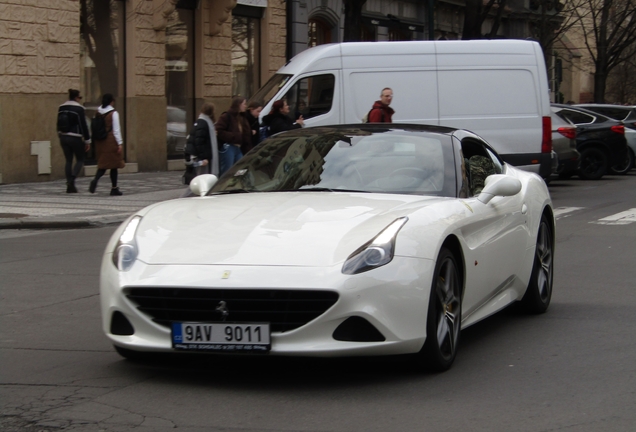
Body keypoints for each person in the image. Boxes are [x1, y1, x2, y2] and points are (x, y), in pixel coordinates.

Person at [89, 93, 125, 196]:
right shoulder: (113, 113)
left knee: (103, 163)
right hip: (110, 140)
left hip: (100, 141)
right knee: (114, 165)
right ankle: (114, 188)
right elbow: (116, 130)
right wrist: (120, 143)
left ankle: (96, 179)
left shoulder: (98, 111)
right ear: (111, 101)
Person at [57, 89, 91, 193]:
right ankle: (72, 179)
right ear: (76, 98)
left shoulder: (61, 107)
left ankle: (69, 185)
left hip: (63, 136)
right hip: (75, 136)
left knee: (68, 160)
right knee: (80, 159)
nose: (80, 100)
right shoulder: (79, 109)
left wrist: (59, 134)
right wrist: (87, 140)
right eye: (80, 98)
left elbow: (58, 122)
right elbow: (83, 124)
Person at [216, 96, 252, 175]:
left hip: (238, 147)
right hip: (229, 147)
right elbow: (219, 130)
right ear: (238, 105)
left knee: (241, 169)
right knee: (227, 170)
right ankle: (223, 186)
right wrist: (233, 136)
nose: (246, 106)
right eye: (244, 104)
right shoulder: (226, 116)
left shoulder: (242, 117)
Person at [192, 102, 220, 176]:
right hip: (205, 158)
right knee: (203, 178)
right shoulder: (203, 123)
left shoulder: (207, 122)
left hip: (207, 157)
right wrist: (203, 157)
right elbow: (199, 141)